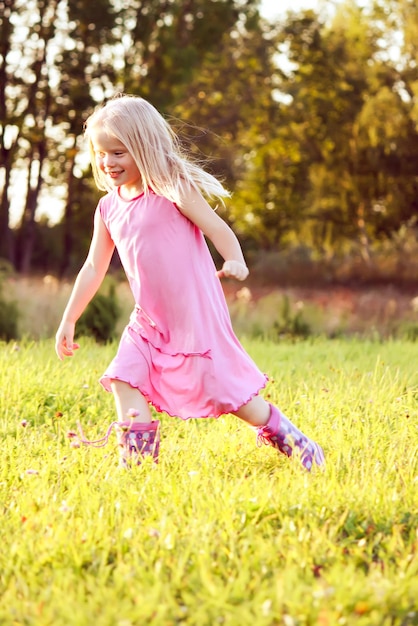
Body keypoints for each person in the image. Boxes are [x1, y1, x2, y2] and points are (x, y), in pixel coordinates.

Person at [55, 94, 324, 471]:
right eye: (102, 153)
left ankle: (296, 442)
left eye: (118, 153)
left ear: (143, 147)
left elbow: (217, 228)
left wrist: (234, 259)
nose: (107, 162)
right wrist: (69, 319)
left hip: (193, 318)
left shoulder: (172, 188)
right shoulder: (108, 207)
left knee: (232, 398)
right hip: (147, 320)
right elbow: (93, 267)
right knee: (122, 377)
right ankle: (137, 470)